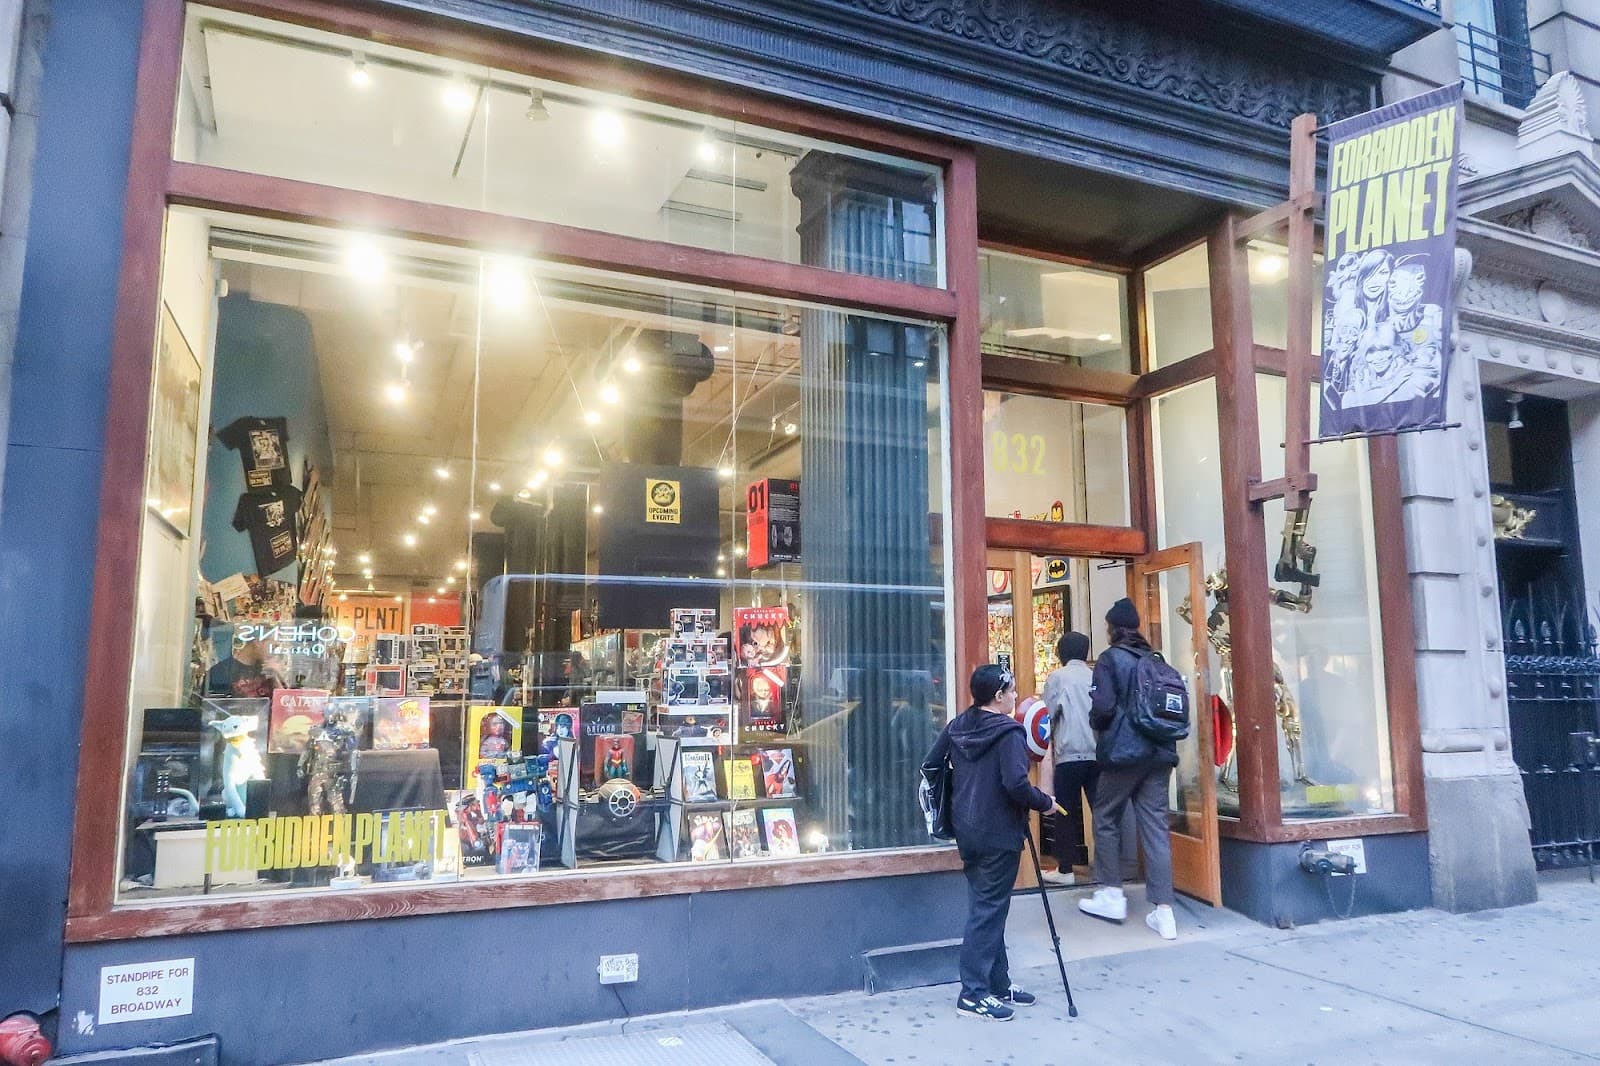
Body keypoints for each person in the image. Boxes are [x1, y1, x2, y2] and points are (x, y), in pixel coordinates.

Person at [924, 664, 1061, 1022]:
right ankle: (972, 993)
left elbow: (931, 765)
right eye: (1012, 691)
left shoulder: (958, 726)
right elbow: (1016, 784)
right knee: (987, 912)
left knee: (989, 907)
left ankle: (997, 982)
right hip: (998, 831)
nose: (1016, 696)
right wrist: (1045, 802)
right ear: (998, 696)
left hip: (967, 829)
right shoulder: (1009, 733)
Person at [1078, 597, 1182, 941]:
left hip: (1124, 754)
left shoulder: (1110, 660)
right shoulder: (1156, 659)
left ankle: (1111, 894)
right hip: (1160, 753)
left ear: (1111, 628)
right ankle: (1164, 911)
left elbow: (1103, 707)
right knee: (1154, 826)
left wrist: (1096, 722)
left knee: (1105, 816)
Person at [1040, 631, 1096, 886]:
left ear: (1061, 652)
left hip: (1069, 754)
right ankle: (1107, 870)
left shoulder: (1058, 678)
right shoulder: (1096, 677)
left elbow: (1047, 715)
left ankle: (1066, 869)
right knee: (1102, 812)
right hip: (1098, 754)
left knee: (1065, 811)